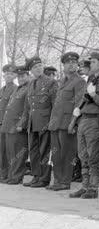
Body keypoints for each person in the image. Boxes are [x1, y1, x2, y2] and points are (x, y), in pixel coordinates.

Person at [69, 51, 99, 199]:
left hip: (97, 120)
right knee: (83, 155)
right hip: (84, 118)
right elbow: (84, 98)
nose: (91, 64)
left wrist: (94, 95)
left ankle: (93, 188)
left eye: (94, 62)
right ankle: (85, 186)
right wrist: (75, 118)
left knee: (94, 156)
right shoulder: (91, 78)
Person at [47, 52, 85, 191]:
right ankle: (57, 180)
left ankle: (65, 181)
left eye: (74, 62)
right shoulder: (62, 81)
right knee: (56, 153)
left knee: (67, 153)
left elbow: (79, 103)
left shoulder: (79, 81)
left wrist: (73, 123)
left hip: (67, 123)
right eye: (68, 62)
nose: (71, 65)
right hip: (56, 123)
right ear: (63, 65)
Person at [23, 56, 58, 188]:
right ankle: (36, 176)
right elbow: (28, 105)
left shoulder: (51, 82)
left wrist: (52, 122)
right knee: (34, 151)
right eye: (34, 67)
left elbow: (55, 104)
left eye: (39, 66)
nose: (38, 69)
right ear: (31, 70)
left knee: (45, 151)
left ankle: (44, 178)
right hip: (33, 123)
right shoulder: (31, 83)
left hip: (45, 122)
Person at [1, 66, 30, 184]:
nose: (21, 79)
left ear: (28, 76)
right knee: (10, 152)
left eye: (23, 76)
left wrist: (21, 123)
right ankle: (11, 175)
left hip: (17, 125)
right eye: (19, 77)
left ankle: (16, 177)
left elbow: (26, 109)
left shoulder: (28, 89)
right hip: (8, 125)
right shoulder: (18, 89)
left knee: (18, 152)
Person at [0, 64, 17, 182]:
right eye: (6, 74)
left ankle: (12, 175)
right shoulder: (2, 90)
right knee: (2, 150)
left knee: (11, 150)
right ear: (3, 75)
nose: (8, 76)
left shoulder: (16, 89)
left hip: (11, 124)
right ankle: (3, 173)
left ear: (15, 75)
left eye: (11, 74)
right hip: (1, 123)